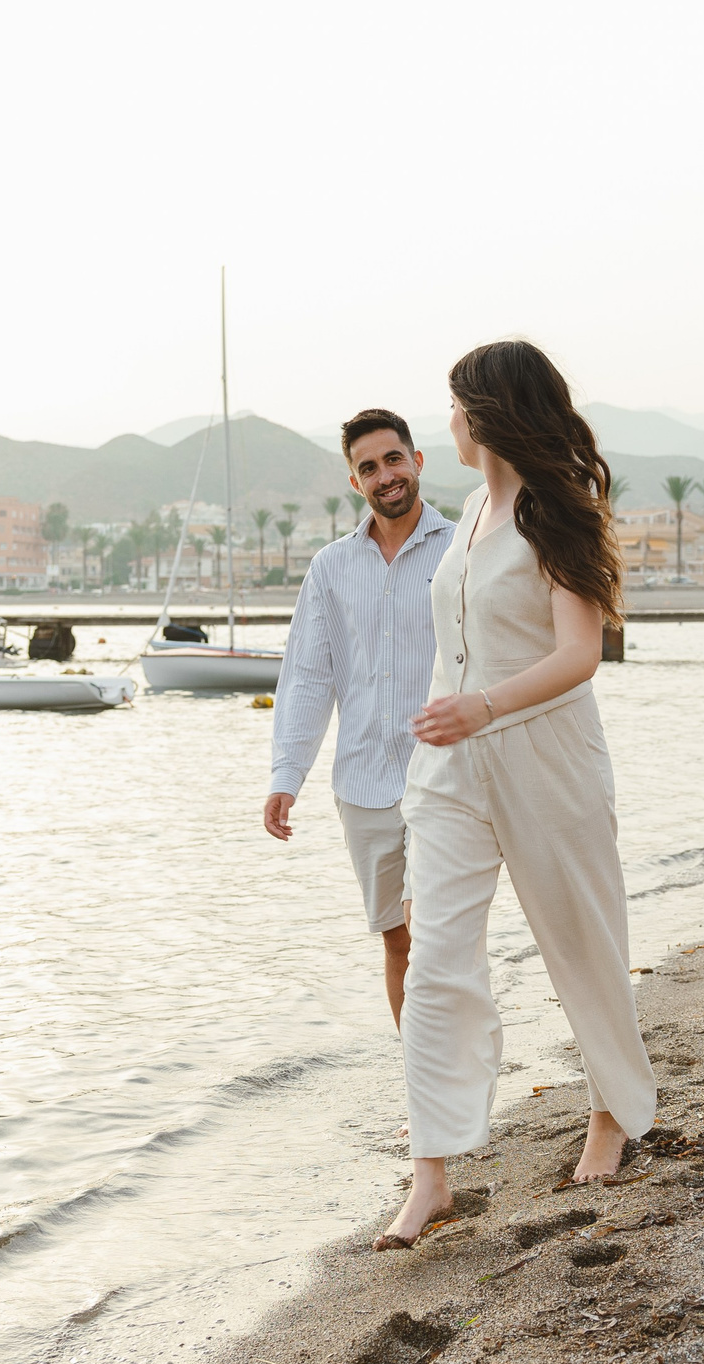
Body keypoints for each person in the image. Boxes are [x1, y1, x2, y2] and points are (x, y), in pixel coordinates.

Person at [375, 340, 656, 1251]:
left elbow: (581, 655)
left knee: (580, 937)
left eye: (454, 405)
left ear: (487, 412)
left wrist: (484, 706)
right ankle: (433, 1173)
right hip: (450, 772)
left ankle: (613, 1111)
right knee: (437, 962)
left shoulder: (554, 514)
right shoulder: (467, 513)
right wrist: (441, 723)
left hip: (545, 755)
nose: (445, 421)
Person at [264, 409, 454, 1027]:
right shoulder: (331, 568)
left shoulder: (460, 551)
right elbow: (308, 677)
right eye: (368, 468)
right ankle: (426, 1092)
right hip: (365, 784)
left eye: (393, 459)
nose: (385, 476)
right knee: (397, 941)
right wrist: (286, 777)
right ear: (355, 482)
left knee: (442, 938)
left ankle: (460, 1095)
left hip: (449, 778)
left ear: (417, 460)